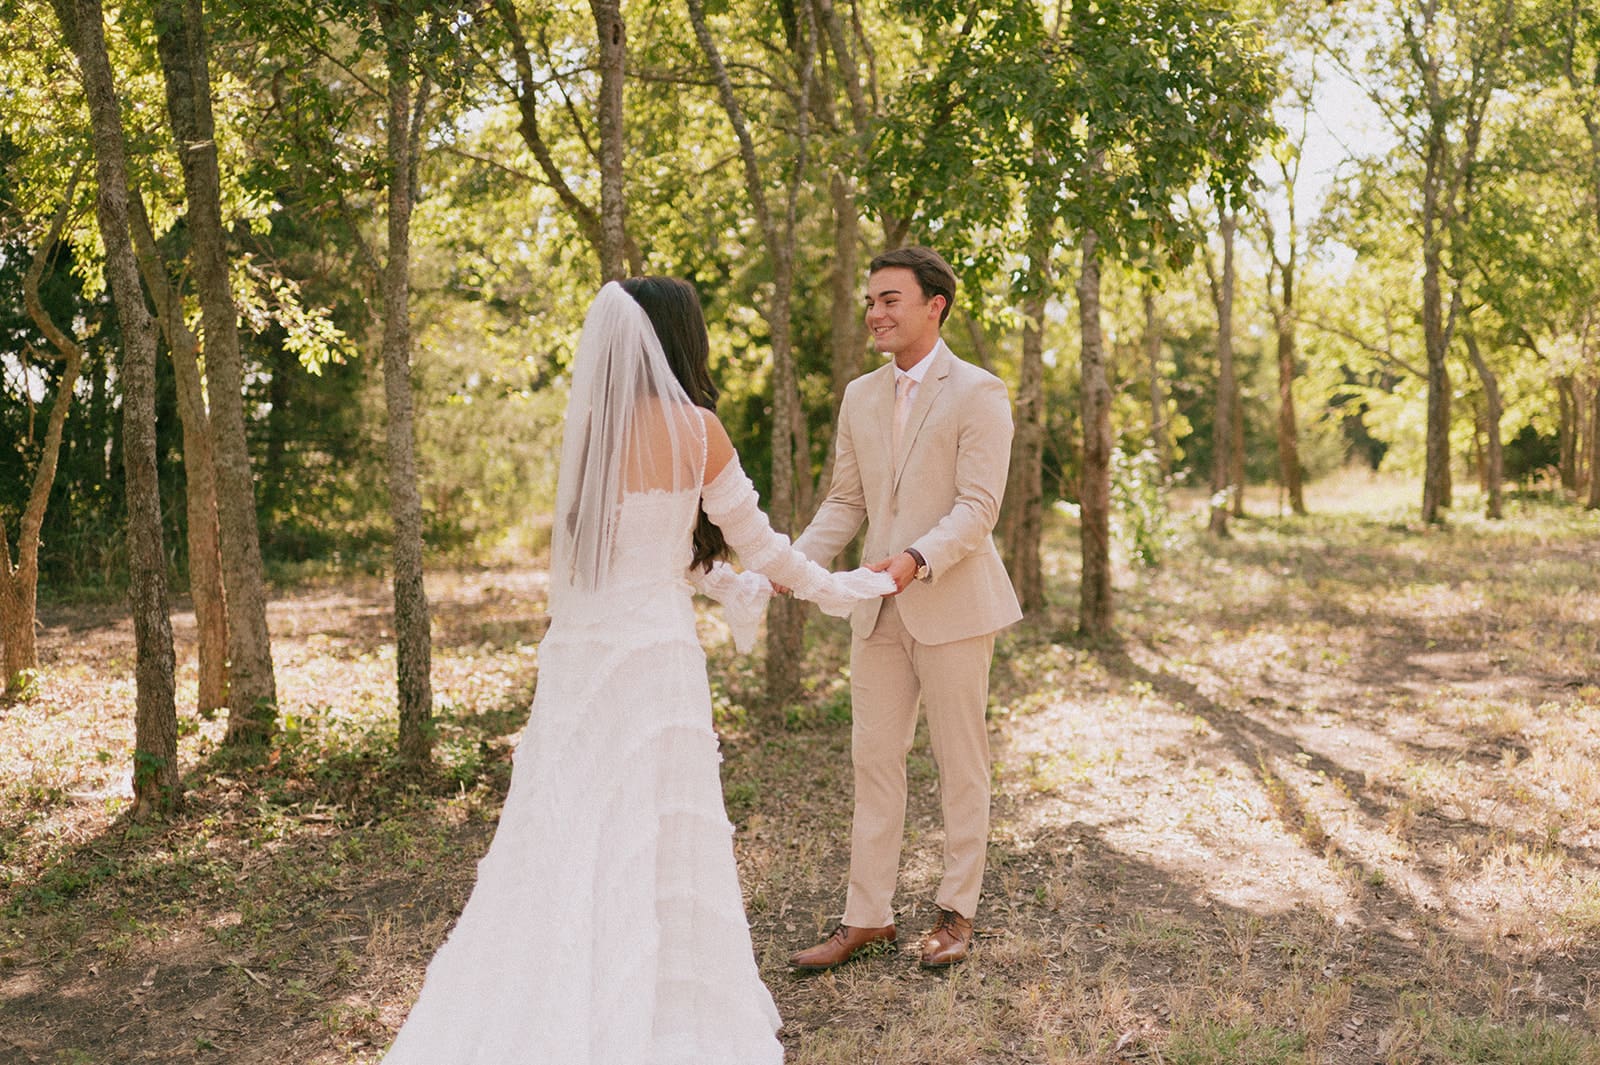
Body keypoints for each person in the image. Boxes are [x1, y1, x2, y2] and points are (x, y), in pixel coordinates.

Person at [380, 277, 894, 1064]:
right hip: (655, 661)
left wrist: (732, 585)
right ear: (681, 339)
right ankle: (660, 997)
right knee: (657, 822)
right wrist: (849, 586)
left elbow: (634, 555)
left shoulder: (591, 433)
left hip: (582, 656)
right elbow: (757, 543)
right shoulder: (697, 430)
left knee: (577, 819)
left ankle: (562, 986)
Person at [787, 246, 1022, 971]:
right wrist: (791, 561)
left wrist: (916, 559)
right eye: (870, 301)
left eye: (890, 299)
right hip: (876, 611)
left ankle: (957, 913)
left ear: (934, 305)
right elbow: (846, 500)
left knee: (961, 763)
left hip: (950, 602)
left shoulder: (980, 392)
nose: (876, 314)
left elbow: (978, 508)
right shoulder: (860, 394)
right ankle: (867, 917)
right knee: (874, 762)